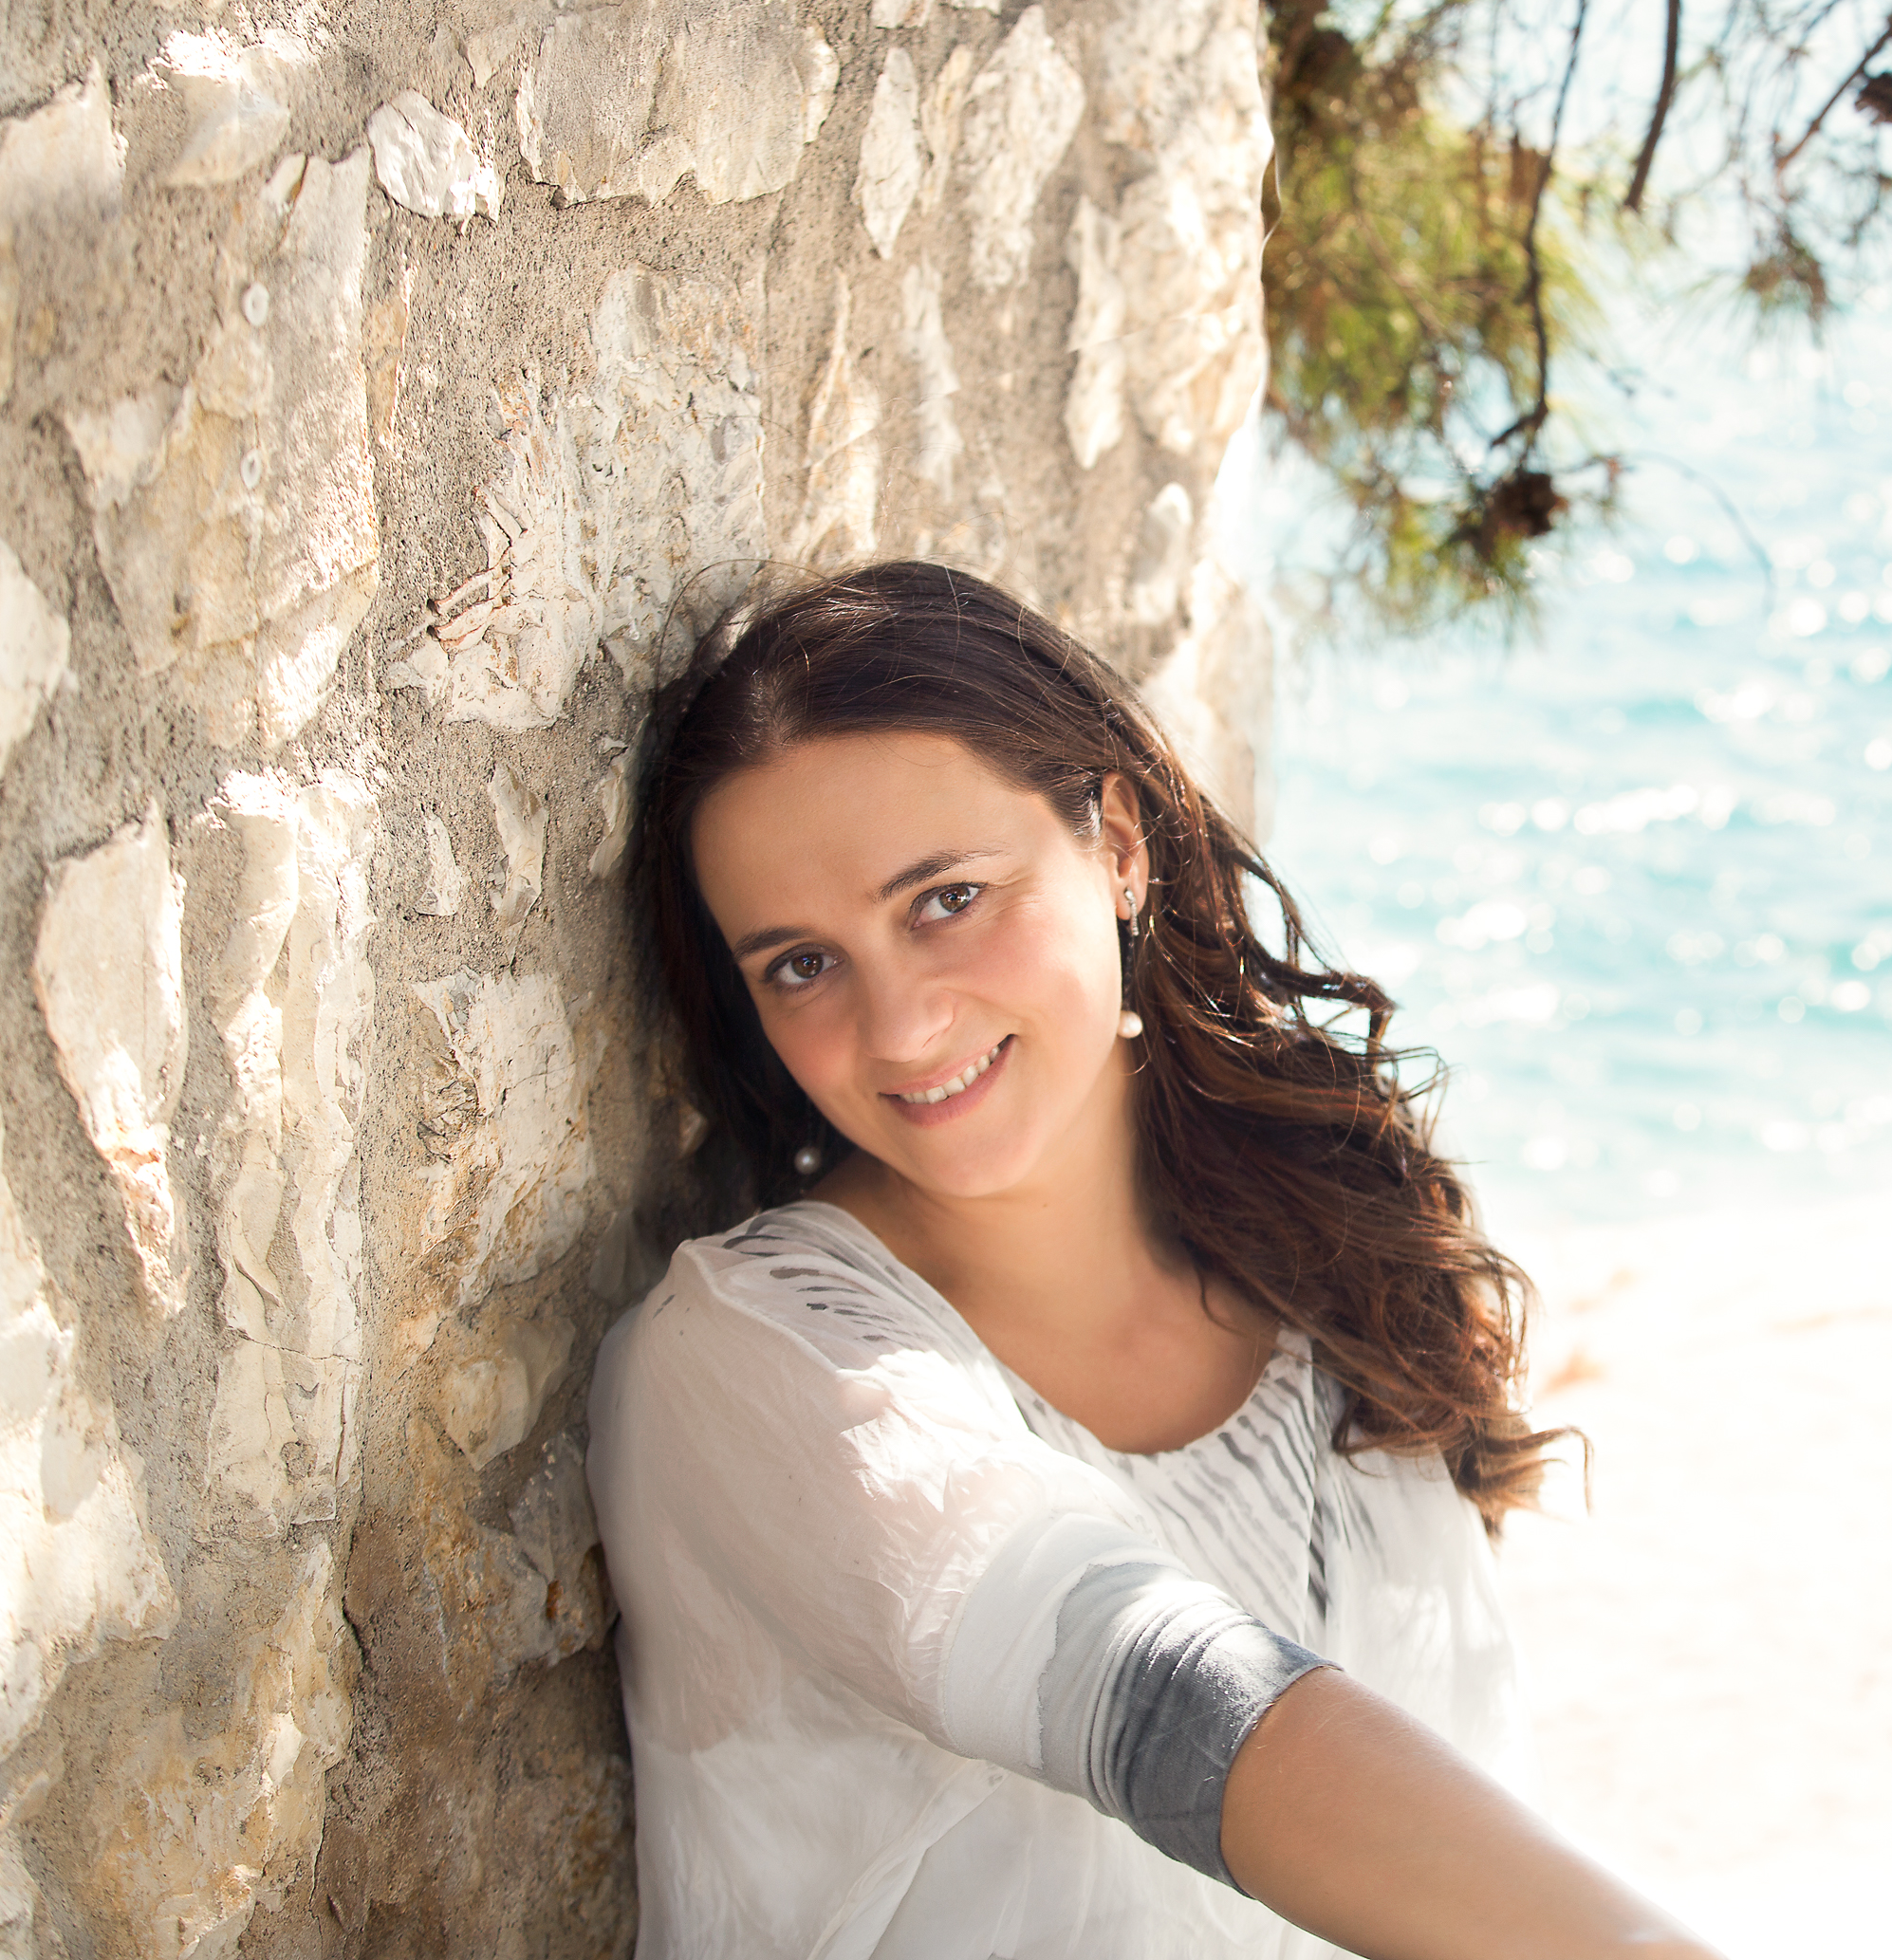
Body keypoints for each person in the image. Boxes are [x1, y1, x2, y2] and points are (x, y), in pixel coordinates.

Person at [588, 564, 1718, 1959]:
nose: (899, 1028)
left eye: (946, 898)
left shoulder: (1326, 1254)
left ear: (1118, 845)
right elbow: (1164, 1704)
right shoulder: (752, 1359)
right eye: (802, 966)